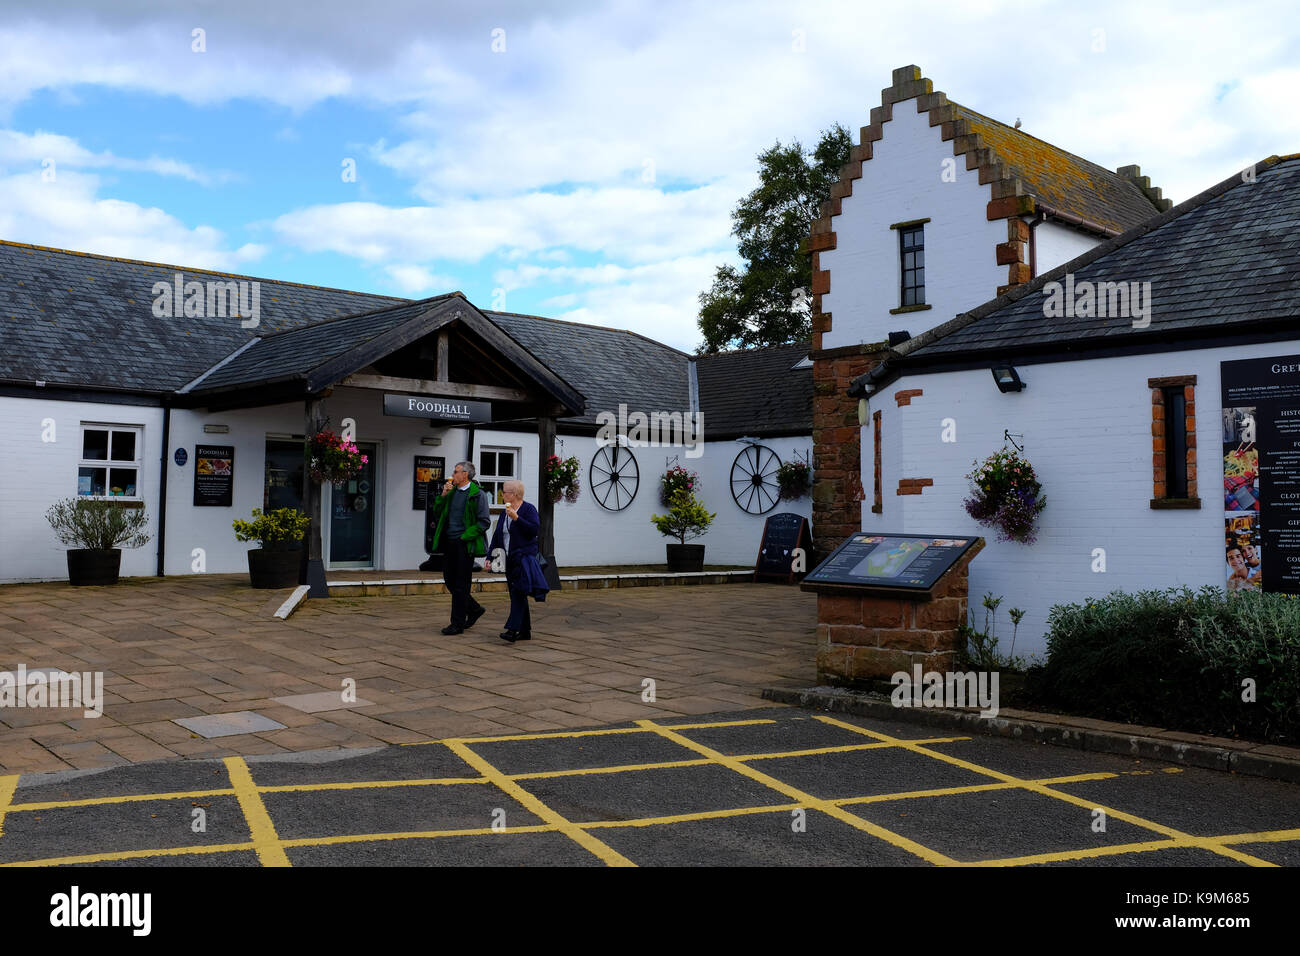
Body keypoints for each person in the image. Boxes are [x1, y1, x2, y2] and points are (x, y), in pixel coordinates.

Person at [428, 461, 491, 634]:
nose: (453, 474)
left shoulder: (478, 495)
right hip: (449, 543)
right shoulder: (452, 492)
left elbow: (484, 522)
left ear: (465, 475)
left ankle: (457, 624)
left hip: (465, 544)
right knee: (449, 580)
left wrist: (464, 537)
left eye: (456, 472)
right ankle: (475, 609)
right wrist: (443, 495)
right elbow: (438, 513)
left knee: (461, 584)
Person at [486, 479, 548, 642]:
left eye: (504, 492)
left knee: (518, 593)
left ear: (514, 494)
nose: (502, 494)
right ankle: (525, 631)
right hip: (509, 559)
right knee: (517, 594)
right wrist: (489, 557)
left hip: (524, 558)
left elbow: (534, 530)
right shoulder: (504, 512)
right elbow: (497, 536)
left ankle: (512, 630)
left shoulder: (528, 509)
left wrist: (517, 518)